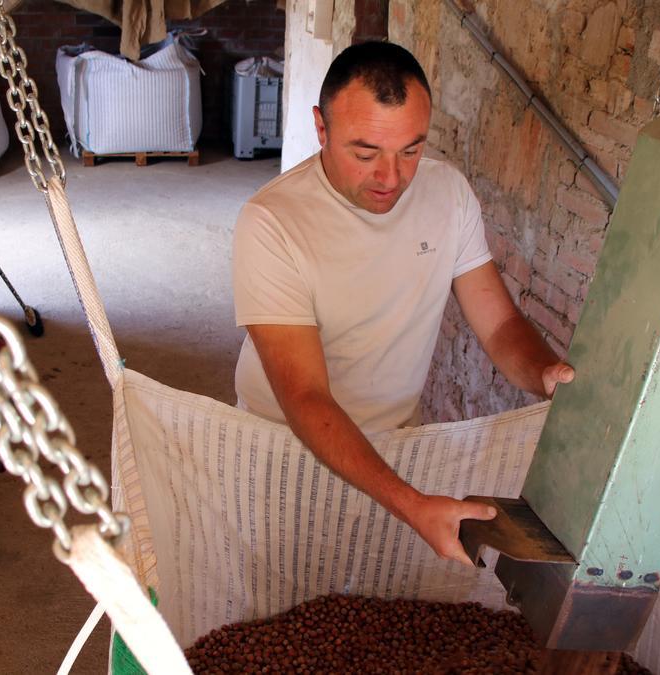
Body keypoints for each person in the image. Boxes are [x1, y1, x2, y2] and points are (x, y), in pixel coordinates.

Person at [232, 41, 574, 565]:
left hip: (395, 449)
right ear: (321, 129)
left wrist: (543, 372)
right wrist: (412, 505)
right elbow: (305, 398)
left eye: (410, 151)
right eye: (365, 153)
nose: (391, 178)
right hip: (284, 454)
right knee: (281, 589)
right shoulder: (272, 223)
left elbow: (500, 322)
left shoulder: (449, 195)